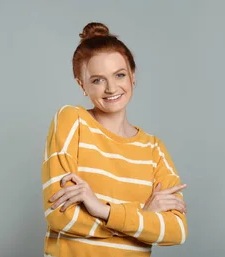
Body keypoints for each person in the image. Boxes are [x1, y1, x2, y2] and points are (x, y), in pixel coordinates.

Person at [41, 22, 188, 257]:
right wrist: (142, 216)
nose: (111, 88)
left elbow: (177, 231)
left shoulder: (154, 149)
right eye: (97, 80)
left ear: (132, 76)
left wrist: (101, 209)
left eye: (119, 75)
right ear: (82, 85)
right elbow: (61, 217)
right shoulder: (72, 121)